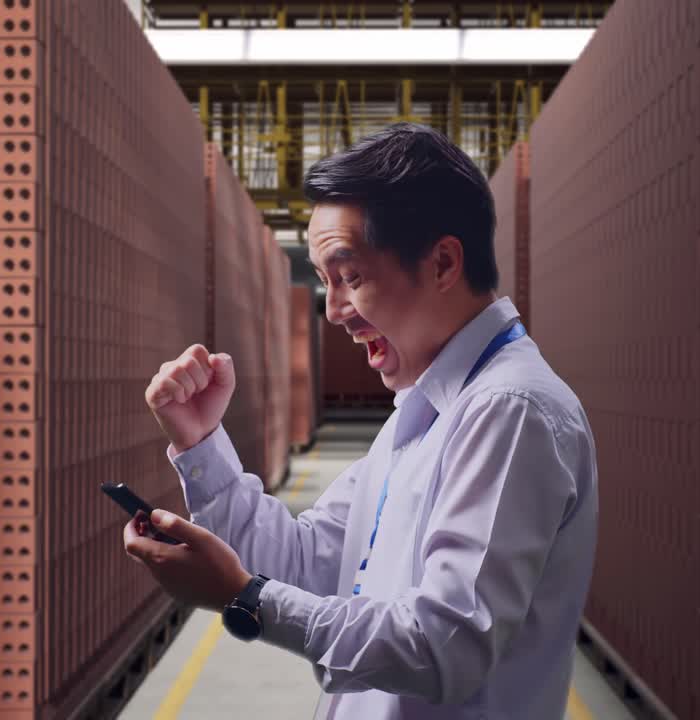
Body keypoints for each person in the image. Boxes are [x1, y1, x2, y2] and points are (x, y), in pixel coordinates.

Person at [124, 122, 599, 720]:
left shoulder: (509, 411)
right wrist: (199, 442)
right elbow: (309, 559)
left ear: (443, 263)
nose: (334, 312)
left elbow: (443, 645)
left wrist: (244, 598)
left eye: (350, 277)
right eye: (326, 283)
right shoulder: (426, 413)